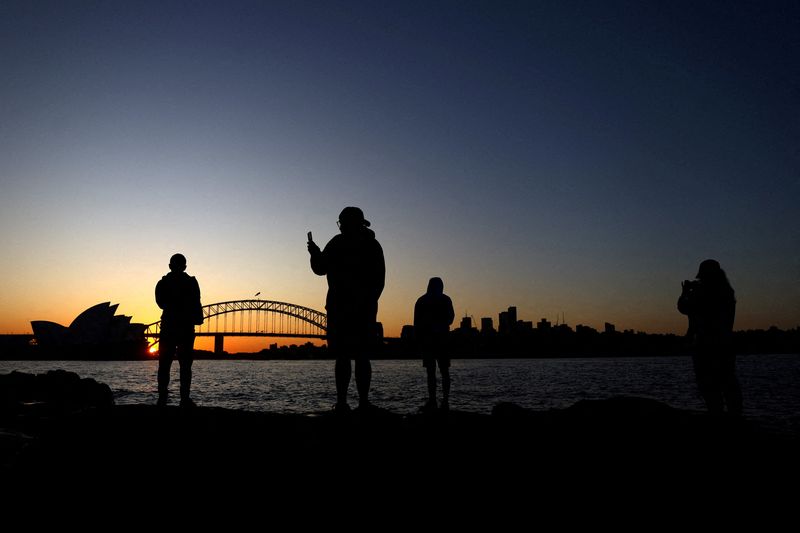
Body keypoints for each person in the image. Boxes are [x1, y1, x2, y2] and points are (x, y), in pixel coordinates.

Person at [308, 207, 385, 412]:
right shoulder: (372, 245)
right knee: (361, 356)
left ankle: (342, 403)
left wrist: (315, 254)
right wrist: (369, 302)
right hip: (364, 309)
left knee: (343, 356)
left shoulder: (337, 243)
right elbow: (380, 280)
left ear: (349, 223)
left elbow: (319, 268)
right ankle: (363, 403)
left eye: (342, 222)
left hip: (339, 308)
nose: (340, 226)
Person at [677, 259, 742, 415]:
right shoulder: (727, 292)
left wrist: (685, 293)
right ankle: (736, 419)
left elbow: (683, 307)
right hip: (725, 345)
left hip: (705, 347)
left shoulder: (702, 293)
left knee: (710, 387)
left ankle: (717, 418)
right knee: (728, 384)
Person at [155, 253, 203, 408]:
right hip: (186, 327)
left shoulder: (162, 283)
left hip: (168, 326)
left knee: (164, 364)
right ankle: (185, 399)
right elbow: (197, 302)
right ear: (185, 267)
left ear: (170, 266)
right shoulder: (191, 282)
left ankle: (162, 399)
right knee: (185, 365)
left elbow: (160, 303)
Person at [414, 277, 455, 411]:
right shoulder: (446, 299)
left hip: (427, 341)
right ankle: (445, 401)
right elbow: (451, 318)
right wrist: (440, 325)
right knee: (444, 371)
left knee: (431, 372)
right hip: (442, 339)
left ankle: (432, 400)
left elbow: (416, 323)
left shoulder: (421, 301)